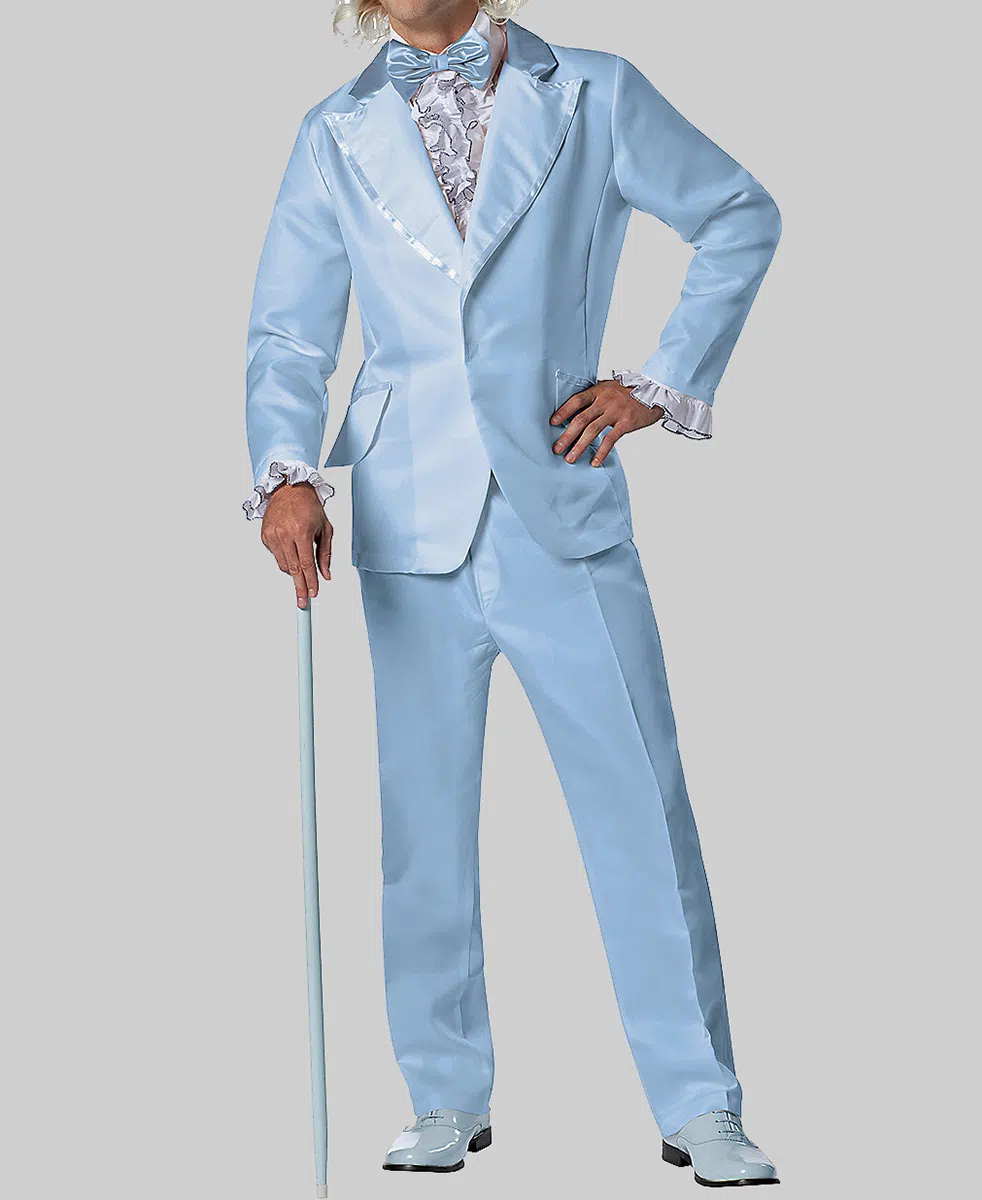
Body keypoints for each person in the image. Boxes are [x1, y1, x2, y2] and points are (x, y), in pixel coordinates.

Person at [244, 0, 781, 1184]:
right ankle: (442, 1093)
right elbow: (289, 333)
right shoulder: (333, 131)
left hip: (560, 502)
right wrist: (285, 474)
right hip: (407, 513)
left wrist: (658, 384)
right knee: (421, 831)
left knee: (640, 808)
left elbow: (739, 212)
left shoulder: (594, 89)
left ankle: (701, 1101)